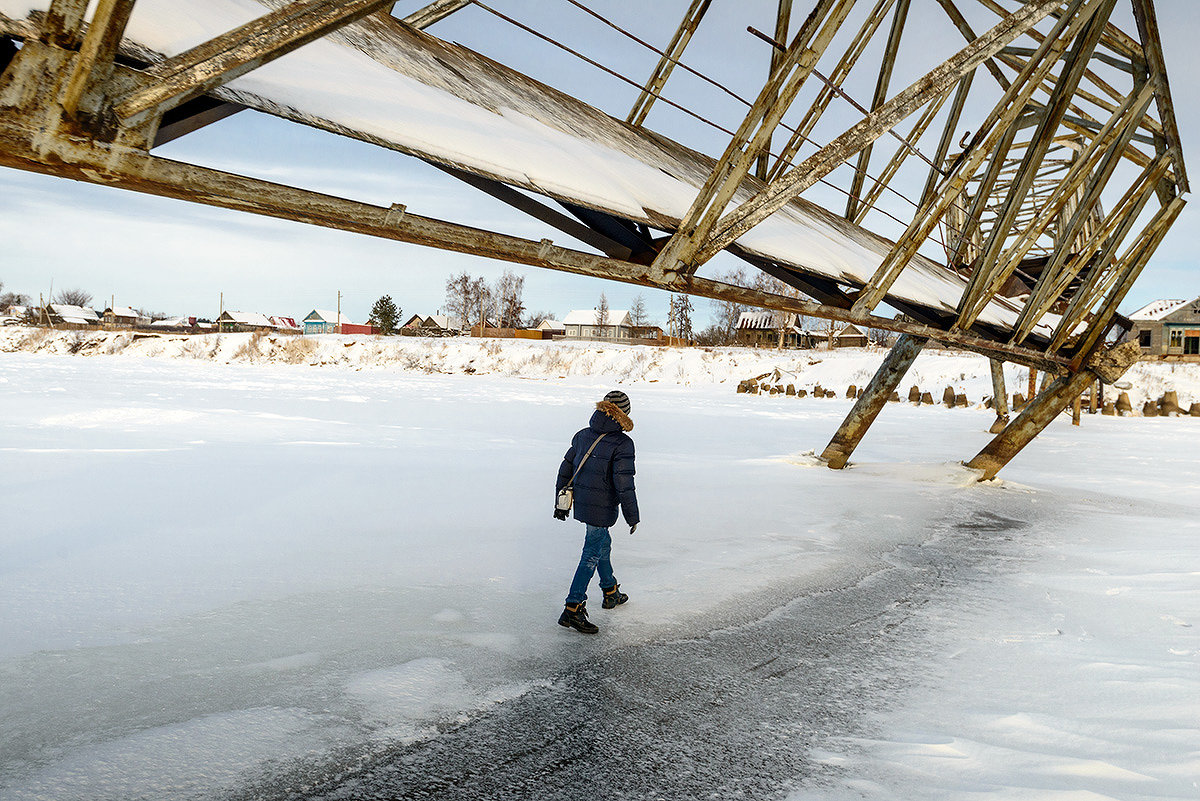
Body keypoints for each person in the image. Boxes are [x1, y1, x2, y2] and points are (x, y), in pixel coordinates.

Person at [554, 390, 639, 634]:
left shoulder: (582, 435)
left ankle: (610, 591)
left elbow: (565, 469)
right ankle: (573, 608)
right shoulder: (623, 443)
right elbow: (625, 484)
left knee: (602, 543)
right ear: (623, 414)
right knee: (592, 551)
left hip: (583, 502)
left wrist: (560, 503)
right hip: (602, 508)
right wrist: (632, 516)